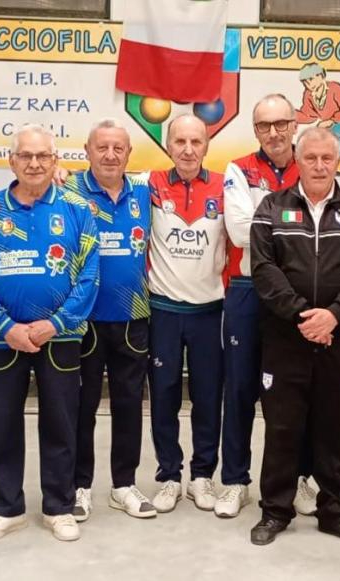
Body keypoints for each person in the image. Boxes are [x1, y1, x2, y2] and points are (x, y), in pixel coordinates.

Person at [248, 127, 340, 546]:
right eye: (311, 158)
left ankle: (334, 512)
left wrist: (334, 316)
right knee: (281, 428)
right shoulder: (271, 208)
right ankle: (275, 511)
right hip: (285, 338)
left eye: (327, 158)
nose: (320, 166)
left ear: (337, 162)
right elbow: (263, 269)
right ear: (298, 160)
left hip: (339, 340)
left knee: (335, 428)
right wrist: (304, 317)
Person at [0, 124, 99, 543]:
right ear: (12, 161)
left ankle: (59, 507)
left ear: (55, 160)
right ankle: (7, 509)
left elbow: (90, 276)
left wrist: (55, 324)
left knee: (61, 422)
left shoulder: (77, 210)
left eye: (43, 156)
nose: (35, 163)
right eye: (26, 155)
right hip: (2, 339)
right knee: (1, 423)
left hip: (60, 337)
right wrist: (6, 327)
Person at [219, 94, 317, 519]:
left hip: (299, 293)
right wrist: (293, 225)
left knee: (295, 392)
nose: (274, 133)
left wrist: (270, 223)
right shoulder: (239, 169)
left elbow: (319, 227)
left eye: (281, 124)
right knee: (240, 389)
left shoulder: (312, 162)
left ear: (295, 124)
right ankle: (234, 481)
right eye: (264, 126)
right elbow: (240, 232)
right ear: (255, 130)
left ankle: (298, 479)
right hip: (246, 289)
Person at [63, 119, 157, 520]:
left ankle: (124, 485)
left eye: (118, 148)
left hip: (133, 316)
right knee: (82, 406)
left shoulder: (145, 191)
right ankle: (79, 486)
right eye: (102, 147)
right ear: (87, 151)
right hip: (83, 318)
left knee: (129, 404)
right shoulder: (67, 190)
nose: (110, 155)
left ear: (129, 153)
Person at [145, 115, 229, 514]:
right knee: (163, 396)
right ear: (168, 145)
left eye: (196, 141)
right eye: (180, 141)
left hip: (210, 312)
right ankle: (169, 476)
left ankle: (202, 476)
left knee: (207, 397)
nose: (188, 149)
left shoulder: (226, 187)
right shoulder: (148, 183)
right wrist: (62, 175)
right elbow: (100, 183)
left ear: (207, 145)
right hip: (162, 311)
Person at [295, 62, 340, 173]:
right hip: (332, 124)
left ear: (321, 76)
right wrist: (290, 114)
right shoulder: (308, 94)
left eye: (311, 79)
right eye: (305, 82)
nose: (309, 84)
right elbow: (308, 115)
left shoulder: (334, 88)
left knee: (330, 136)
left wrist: (332, 120)